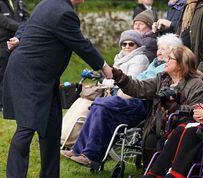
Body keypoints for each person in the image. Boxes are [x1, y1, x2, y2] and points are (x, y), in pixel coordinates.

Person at [2, 0, 112, 178]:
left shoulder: (51, 2)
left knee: (51, 128)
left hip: (43, 78)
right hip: (29, 76)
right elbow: (81, 45)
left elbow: (29, 25)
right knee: (27, 128)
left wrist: (19, 37)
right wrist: (104, 66)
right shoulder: (63, 12)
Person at [60, 34, 184, 166]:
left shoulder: (167, 69)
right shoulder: (154, 64)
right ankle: (79, 150)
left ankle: (91, 155)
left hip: (143, 103)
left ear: (173, 52)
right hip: (133, 95)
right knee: (99, 103)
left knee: (104, 104)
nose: (159, 51)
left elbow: (146, 87)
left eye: (163, 49)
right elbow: (139, 82)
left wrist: (123, 82)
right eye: (158, 48)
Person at [112, 46, 203, 167]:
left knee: (163, 144)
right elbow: (139, 88)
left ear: (181, 64)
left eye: (170, 59)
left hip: (179, 131)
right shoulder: (162, 78)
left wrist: (174, 106)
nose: (165, 61)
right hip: (158, 127)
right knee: (150, 141)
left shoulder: (196, 84)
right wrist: (119, 77)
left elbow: (197, 109)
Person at [60, 30, 149, 146]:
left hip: (123, 96)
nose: (127, 46)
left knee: (88, 104)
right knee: (81, 100)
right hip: (112, 92)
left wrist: (108, 81)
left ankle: (70, 139)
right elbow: (111, 78)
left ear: (137, 45)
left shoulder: (140, 59)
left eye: (131, 44)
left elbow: (130, 81)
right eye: (124, 44)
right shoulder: (120, 58)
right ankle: (64, 135)